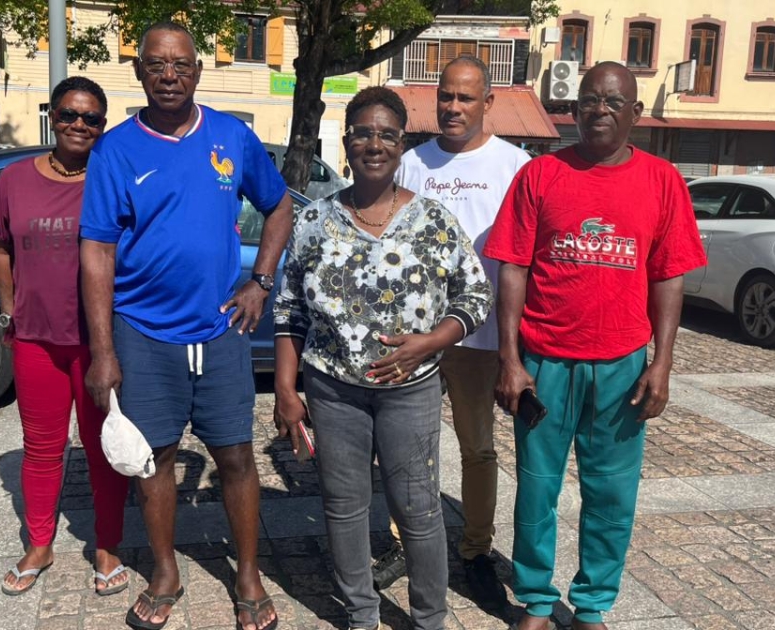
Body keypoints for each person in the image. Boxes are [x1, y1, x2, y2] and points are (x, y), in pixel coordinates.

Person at [78, 22, 291, 630]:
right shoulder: (116, 150)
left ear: (198, 71)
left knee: (236, 458)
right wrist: (103, 351)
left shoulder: (231, 136)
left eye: (180, 65)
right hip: (142, 333)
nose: (168, 75)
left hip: (221, 332)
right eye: (155, 65)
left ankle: (247, 575)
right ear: (139, 73)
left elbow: (278, 205)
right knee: (157, 461)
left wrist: (262, 280)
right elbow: (96, 250)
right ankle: (165, 571)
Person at [482, 62, 707, 630]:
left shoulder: (662, 180)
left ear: (634, 112)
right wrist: (510, 360)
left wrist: (662, 363)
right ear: (573, 109)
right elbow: (513, 268)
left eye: (613, 101)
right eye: (589, 100)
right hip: (546, 361)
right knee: (537, 490)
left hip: (622, 366)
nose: (599, 109)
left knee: (611, 495)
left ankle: (591, 605)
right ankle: (535, 599)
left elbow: (668, 276)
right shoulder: (540, 175)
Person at [273, 86, 493, 630]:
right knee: (344, 508)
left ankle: (428, 618)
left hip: (411, 390)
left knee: (417, 511)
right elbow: (288, 309)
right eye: (363, 133)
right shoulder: (315, 220)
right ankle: (361, 615)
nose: (375, 143)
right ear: (347, 143)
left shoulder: (434, 222)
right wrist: (285, 389)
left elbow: (476, 296)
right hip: (333, 389)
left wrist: (431, 341)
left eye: (387, 134)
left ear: (401, 144)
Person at [373, 54, 530, 609]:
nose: (453, 107)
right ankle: (402, 543)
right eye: (446, 96)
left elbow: (525, 258)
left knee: (477, 447)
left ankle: (474, 548)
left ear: (489, 103)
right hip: (413, 337)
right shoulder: (413, 163)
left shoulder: (515, 165)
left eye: (466, 98)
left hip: (479, 336)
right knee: (404, 446)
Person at [0, 76, 131, 597]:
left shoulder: (111, 177)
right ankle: (40, 543)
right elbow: (2, 247)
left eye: (91, 118)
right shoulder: (14, 178)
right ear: (53, 116)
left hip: (99, 342)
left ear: (103, 124)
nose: (79, 125)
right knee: (42, 448)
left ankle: (107, 545)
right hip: (36, 339)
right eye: (69, 114)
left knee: (102, 448)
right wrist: (8, 310)